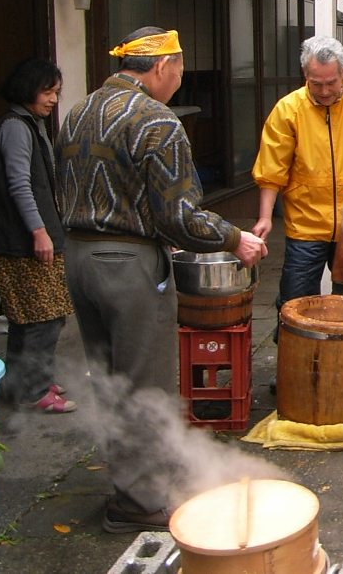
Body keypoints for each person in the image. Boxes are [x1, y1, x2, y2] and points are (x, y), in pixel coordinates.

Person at [56, 27, 266, 533]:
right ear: (159, 67)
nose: (180, 77)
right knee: (144, 384)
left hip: (78, 258)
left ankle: (129, 480)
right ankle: (140, 503)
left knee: (109, 379)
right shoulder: (157, 120)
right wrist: (234, 237)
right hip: (127, 264)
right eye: (178, 68)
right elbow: (178, 216)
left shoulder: (79, 111)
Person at [252, 35, 343, 313]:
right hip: (305, 226)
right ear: (305, 74)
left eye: (331, 82)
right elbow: (272, 169)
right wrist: (264, 217)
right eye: (316, 83)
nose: (324, 91)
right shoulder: (288, 110)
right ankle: (299, 356)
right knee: (294, 304)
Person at [0, 58, 76, 414]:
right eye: (47, 91)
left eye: (56, 92)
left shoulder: (27, 123)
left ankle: (23, 383)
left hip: (26, 239)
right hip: (21, 243)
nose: (53, 99)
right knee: (42, 318)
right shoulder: (16, 127)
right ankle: (34, 390)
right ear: (27, 90)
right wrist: (39, 232)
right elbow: (19, 184)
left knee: (30, 317)